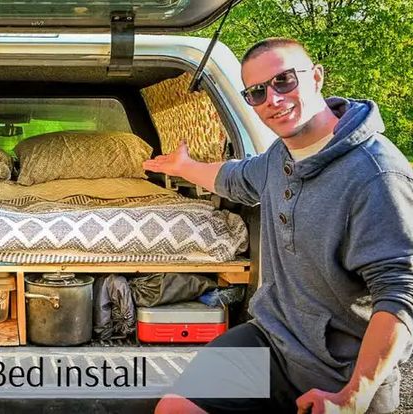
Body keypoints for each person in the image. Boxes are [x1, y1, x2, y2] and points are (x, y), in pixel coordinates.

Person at [145, 38, 413, 413]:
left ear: (317, 77)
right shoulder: (278, 157)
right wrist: (183, 167)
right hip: (272, 341)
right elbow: (233, 177)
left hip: (342, 371)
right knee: (176, 409)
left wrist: (354, 396)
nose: (272, 98)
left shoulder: (376, 174)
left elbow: (401, 295)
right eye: (256, 92)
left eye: (284, 80)